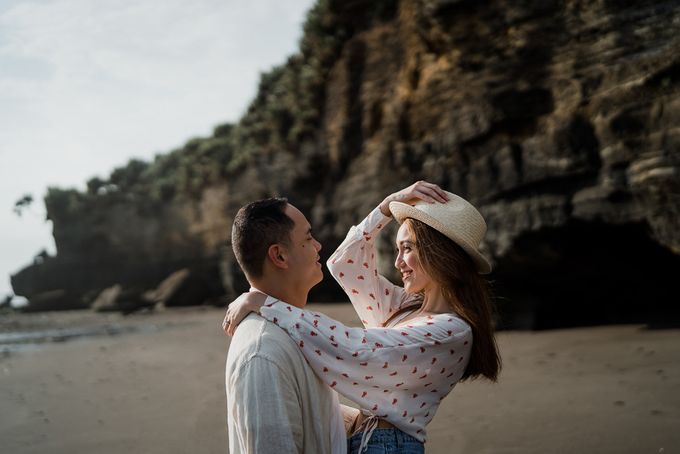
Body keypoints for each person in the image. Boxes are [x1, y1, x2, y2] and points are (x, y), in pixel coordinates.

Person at [224, 181, 501, 453]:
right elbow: (344, 263)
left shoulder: (452, 331)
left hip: (389, 447)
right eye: (397, 250)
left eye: (407, 248)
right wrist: (384, 209)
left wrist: (266, 303)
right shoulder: (405, 306)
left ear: (439, 253)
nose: (397, 263)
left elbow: (356, 348)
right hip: (363, 440)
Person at [224, 198, 349, 454]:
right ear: (279, 255)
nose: (318, 245)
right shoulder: (263, 353)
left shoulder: (295, 331)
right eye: (308, 238)